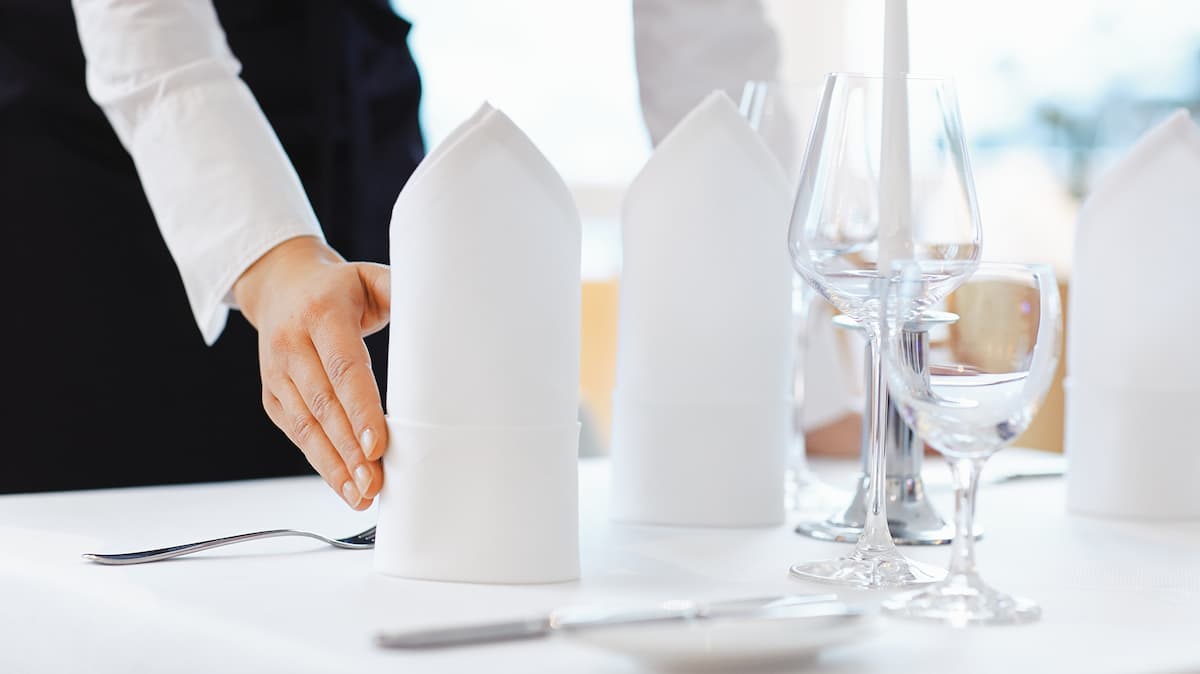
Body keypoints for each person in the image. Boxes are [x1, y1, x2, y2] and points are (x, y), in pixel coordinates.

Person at [0, 0, 859, 505]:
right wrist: (273, 260)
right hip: (95, 159)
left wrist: (804, 384)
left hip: (357, 107)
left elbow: (710, 58)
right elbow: (146, 33)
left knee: (379, 532)